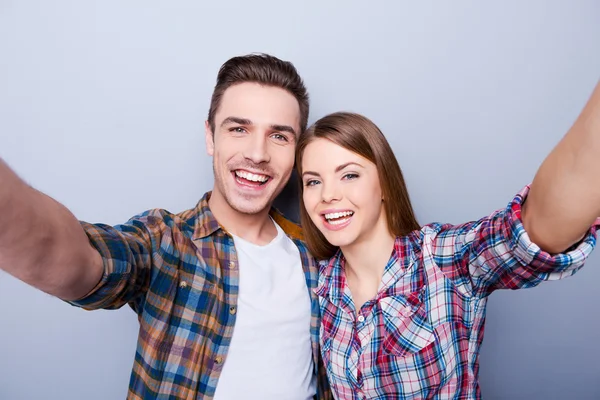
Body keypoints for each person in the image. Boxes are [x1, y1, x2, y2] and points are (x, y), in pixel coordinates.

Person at [0, 53, 331, 400]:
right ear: (210, 137)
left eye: (279, 136)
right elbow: (67, 255)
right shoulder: (165, 241)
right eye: (238, 129)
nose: (258, 153)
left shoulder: (319, 257)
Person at [295, 81, 600, 399]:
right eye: (313, 181)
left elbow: (534, 231)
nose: (328, 195)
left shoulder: (442, 257)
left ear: (384, 183)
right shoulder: (320, 282)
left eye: (349, 175)